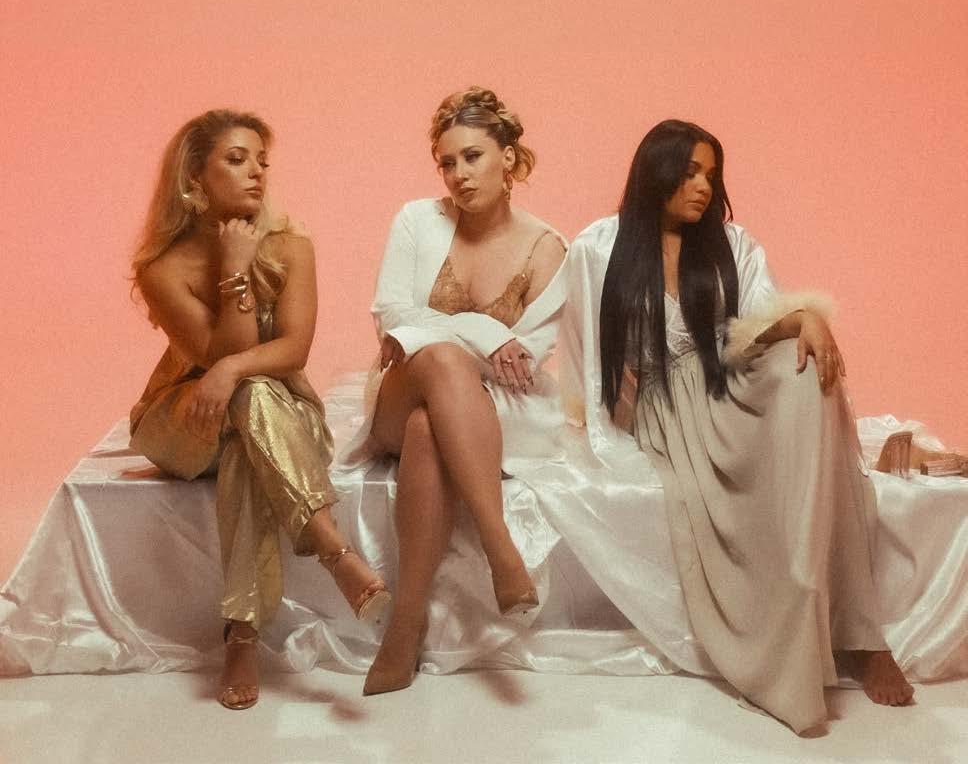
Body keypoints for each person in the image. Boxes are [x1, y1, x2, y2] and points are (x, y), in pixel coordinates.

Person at [562, 119, 913, 734]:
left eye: (711, 174)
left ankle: (860, 635)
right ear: (656, 173)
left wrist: (806, 319)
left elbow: (757, 326)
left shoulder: (733, 243)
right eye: (690, 172)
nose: (704, 186)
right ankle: (787, 649)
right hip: (666, 407)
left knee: (809, 372)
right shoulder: (598, 247)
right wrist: (603, 441)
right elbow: (584, 361)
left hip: (730, 382)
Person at [129, 109, 389, 710]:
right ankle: (334, 550)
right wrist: (233, 273)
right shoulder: (161, 268)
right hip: (184, 418)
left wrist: (229, 370)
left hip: (277, 413)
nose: (257, 173)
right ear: (194, 177)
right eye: (236, 159)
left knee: (250, 418)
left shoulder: (292, 247)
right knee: (247, 394)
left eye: (262, 161)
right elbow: (222, 353)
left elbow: (293, 350)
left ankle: (241, 636)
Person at [344, 88, 567, 695]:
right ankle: (500, 548)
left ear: (508, 158)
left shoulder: (547, 248)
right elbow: (393, 316)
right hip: (399, 390)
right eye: (447, 162)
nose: (458, 175)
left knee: (429, 427)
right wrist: (485, 332)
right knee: (439, 363)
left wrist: (444, 334)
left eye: (472, 156)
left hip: (497, 407)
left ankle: (405, 624)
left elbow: (524, 363)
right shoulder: (417, 220)